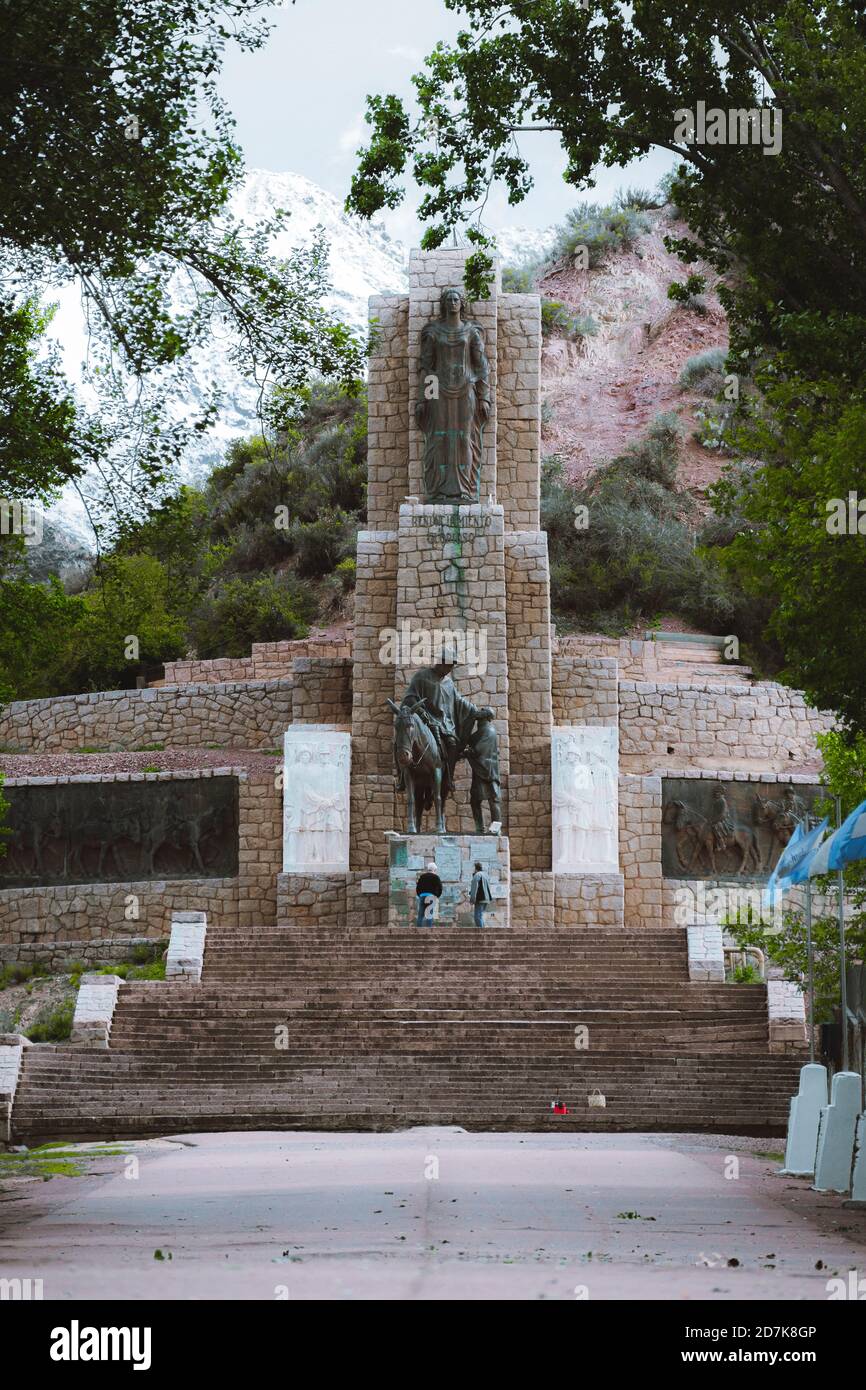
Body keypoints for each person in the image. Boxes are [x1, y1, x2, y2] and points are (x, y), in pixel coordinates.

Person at [465, 708, 501, 834]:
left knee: (493, 799)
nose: (478, 711)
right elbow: (470, 739)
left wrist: (468, 752)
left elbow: (479, 750)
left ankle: (496, 830)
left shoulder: (488, 731)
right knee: (475, 800)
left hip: (488, 771)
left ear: (485, 716)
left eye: (482, 711)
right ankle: (480, 828)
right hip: (481, 770)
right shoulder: (481, 731)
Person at [415, 859, 442, 928]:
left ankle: (418, 930)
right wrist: (437, 896)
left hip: (422, 896)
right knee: (429, 915)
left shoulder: (422, 876)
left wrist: (420, 895)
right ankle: (429, 930)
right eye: (435, 870)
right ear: (434, 870)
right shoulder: (436, 877)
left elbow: (418, 887)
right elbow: (440, 888)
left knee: (420, 915)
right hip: (431, 897)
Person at [469, 860, 493, 929]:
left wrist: (472, 899)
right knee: (480, 915)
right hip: (486, 898)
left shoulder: (477, 875)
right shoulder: (486, 875)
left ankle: (481, 934)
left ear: (475, 868)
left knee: (477, 917)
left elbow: (474, 888)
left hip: (480, 898)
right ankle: (482, 932)